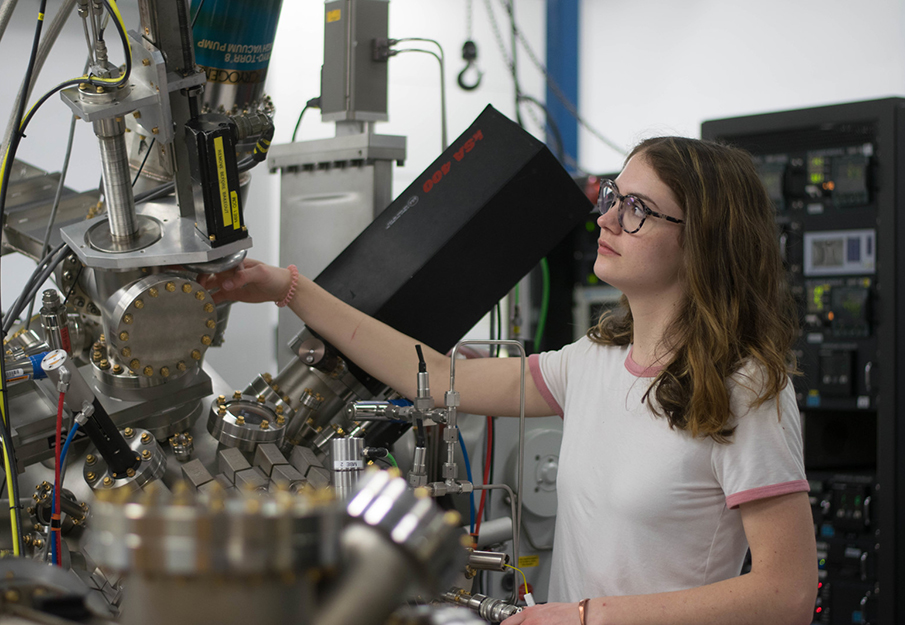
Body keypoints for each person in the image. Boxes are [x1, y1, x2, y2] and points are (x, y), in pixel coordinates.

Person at [200, 136, 817, 625]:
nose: (605, 220)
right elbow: (438, 378)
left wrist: (585, 618)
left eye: (636, 210)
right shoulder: (592, 363)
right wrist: (289, 289)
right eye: (612, 197)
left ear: (703, 239)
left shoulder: (744, 388)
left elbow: (785, 596)